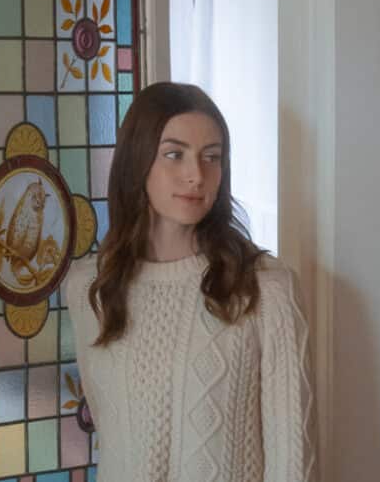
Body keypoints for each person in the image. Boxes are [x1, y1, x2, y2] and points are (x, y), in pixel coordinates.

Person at [64, 82, 316, 482]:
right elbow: (114, 443)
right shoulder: (88, 289)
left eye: (211, 157)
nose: (196, 175)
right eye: (174, 154)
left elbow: (293, 463)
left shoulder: (266, 288)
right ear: (137, 161)